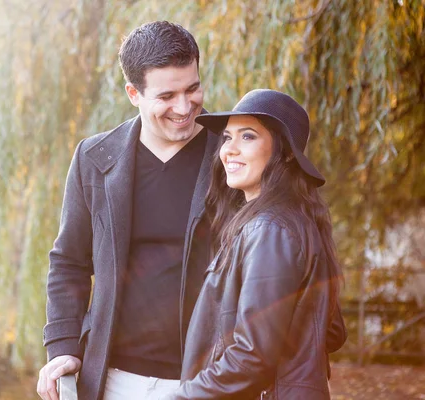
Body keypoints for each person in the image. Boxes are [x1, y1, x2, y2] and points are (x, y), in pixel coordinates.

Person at [36, 21, 219, 400]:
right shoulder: (94, 158)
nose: (184, 108)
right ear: (133, 93)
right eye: (166, 96)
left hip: (210, 378)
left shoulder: (230, 157)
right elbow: (69, 261)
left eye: (193, 88)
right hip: (114, 380)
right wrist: (64, 347)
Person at [163, 89, 347, 399]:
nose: (229, 150)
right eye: (227, 138)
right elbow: (331, 332)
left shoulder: (270, 229)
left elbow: (252, 356)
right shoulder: (283, 221)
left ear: (285, 152)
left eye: (247, 137)